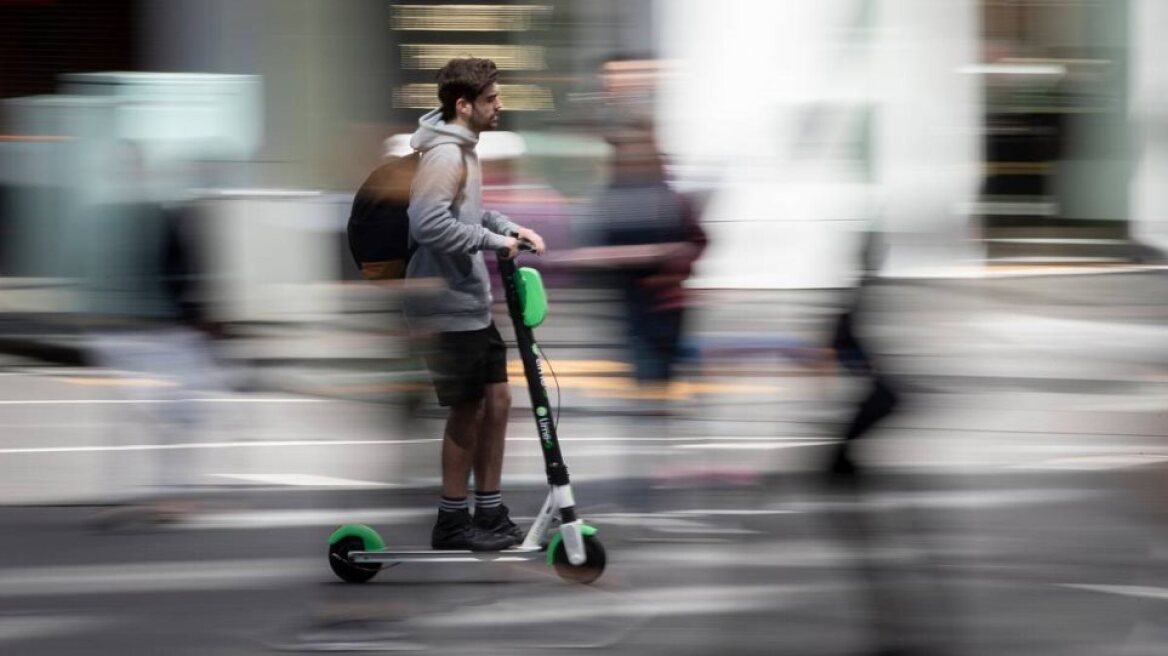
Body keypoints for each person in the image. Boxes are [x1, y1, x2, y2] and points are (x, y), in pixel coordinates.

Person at [405, 57, 546, 551]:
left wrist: (508, 228)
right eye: (491, 98)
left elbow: (467, 210)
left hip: (469, 302)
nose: (499, 105)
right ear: (463, 105)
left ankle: (487, 509)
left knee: (498, 402)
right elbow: (426, 224)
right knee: (467, 411)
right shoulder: (444, 154)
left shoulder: (465, 150)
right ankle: (451, 519)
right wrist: (490, 242)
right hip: (443, 306)